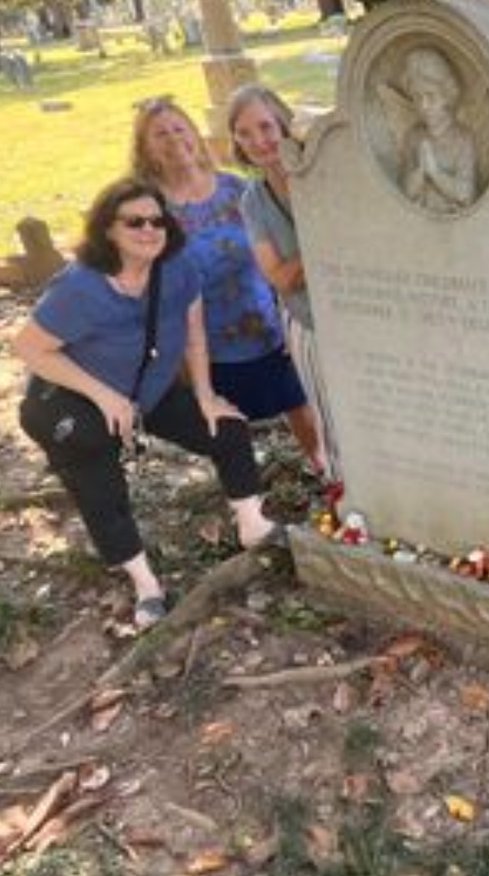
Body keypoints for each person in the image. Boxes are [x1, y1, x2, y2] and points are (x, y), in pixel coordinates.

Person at [15, 178, 281, 631]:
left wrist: (205, 396)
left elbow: (195, 335)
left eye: (157, 220)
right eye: (134, 221)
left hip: (145, 392)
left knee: (228, 429)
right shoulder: (81, 287)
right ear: (108, 230)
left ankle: (253, 525)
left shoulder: (177, 267)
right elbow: (29, 348)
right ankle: (146, 586)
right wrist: (103, 395)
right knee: (102, 489)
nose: (149, 229)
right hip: (75, 402)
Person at [130, 97, 326, 477]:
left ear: (194, 134)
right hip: (203, 340)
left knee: (295, 399)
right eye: (160, 134)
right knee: (225, 421)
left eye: (178, 128)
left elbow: (276, 251)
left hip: (265, 321)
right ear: (146, 149)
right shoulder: (148, 209)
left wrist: (287, 314)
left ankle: (321, 467)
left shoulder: (236, 190)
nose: (173, 139)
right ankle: (246, 493)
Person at [227, 84, 341, 487]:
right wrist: (328, 239)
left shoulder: (326, 173)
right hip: (308, 323)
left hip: (357, 312)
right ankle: (348, 496)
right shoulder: (253, 201)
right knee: (332, 418)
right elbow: (280, 278)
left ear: (284, 123)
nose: (259, 141)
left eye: (266, 126)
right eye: (244, 133)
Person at [386, 47, 477, 213]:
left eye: (431, 96)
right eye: (417, 97)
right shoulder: (414, 136)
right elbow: (405, 192)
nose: (423, 106)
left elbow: (466, 195)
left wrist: (434, 173)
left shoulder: (463, 138)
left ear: (447, 96)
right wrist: (421, 171)